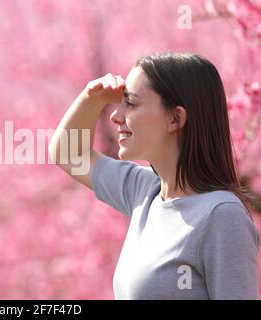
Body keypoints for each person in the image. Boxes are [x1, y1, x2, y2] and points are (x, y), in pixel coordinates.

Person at [49, 52, 259, 300]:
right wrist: (91, 98)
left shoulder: (222, 215)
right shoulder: (144, 192)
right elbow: (68, 153)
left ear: (176, 118)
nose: (115, 116)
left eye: (131, 103)